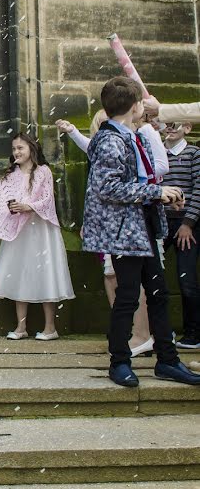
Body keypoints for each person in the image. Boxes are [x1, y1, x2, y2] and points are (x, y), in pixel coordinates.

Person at [82, 76, 200, 387]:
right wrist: (155, 194)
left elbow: (142, 180)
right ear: (135, 107)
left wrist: (164, 196)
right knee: (128, 297)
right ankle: (119, 362)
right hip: (124, 233)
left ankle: (168, 360)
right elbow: (106, 187)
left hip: (143, 228)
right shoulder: (109, 140)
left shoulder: (131, 136)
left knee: (159, 294)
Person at [56, 113, 160, 357]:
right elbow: (96, 187)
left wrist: (156, 191)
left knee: (136, 282)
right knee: (112, 277)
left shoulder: (138, 139)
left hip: (129, 224)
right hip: (108, 224)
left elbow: (156, 169)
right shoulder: (103, 147)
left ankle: (142, 335)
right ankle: (124, 332)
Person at [0, 134, 75, 339]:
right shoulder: (11, 175)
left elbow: (48, 200)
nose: (16, 152)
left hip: (40, 230)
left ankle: (50, 327)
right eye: (14, 149)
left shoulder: (43, 172)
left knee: (44, 272)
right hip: (19, 232)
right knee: (19, 273)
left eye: (20, 148)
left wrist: (28, 206)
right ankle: (21, 327)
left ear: (32, 148)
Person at [159, 121, 200, 350]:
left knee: (187, 281)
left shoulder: (194, 154)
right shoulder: (157, 152)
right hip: (161, 222)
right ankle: (157, 330)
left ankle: (193, 333)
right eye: (168, 123)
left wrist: (188, 223)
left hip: (188, 225)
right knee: (151, 276)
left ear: (188, 128)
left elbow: (198, 189)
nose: (171, 128)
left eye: (177, 124)